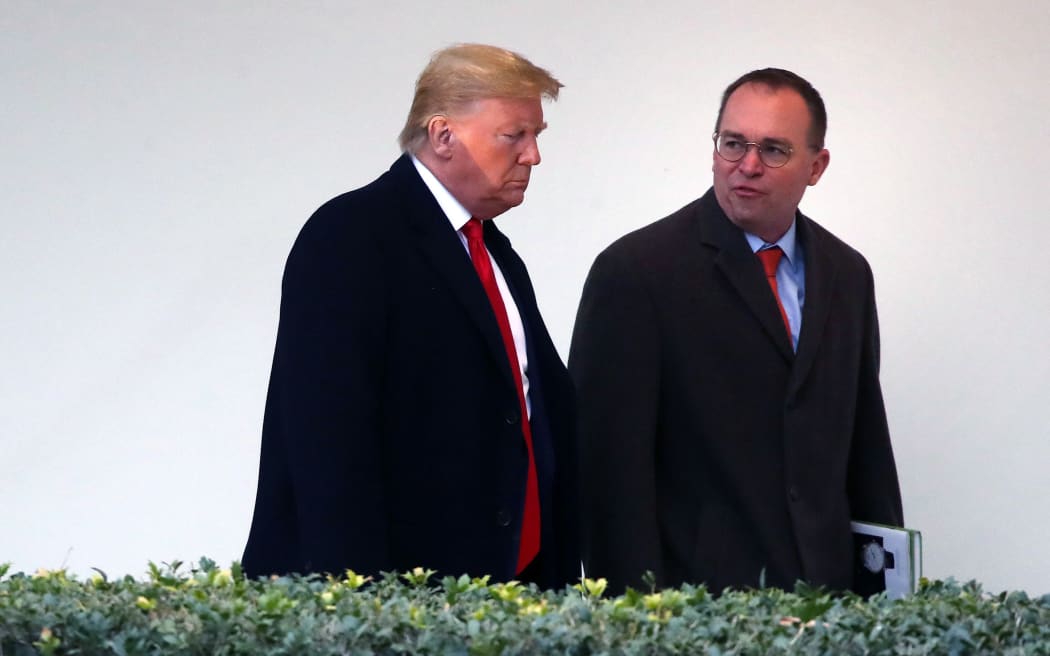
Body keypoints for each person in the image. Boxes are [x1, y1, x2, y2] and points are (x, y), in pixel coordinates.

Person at [242, 44, 579, 589]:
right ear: (444, 135)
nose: (533, 155)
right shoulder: (350, 236)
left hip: (504, 595)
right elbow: (327, 441)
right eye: (514, 135)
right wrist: (362, 605)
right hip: (399, 602)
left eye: (536, 136)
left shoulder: (494, 253)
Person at [569, 68, 903, 595]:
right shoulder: (636, 272)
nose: (747, 166)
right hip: (697, 609)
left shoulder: (847, 274)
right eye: (733, 144)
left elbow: (866, 449)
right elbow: (608, 475)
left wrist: (886, 598)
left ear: (816, 167)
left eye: (773, 150)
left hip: (829, 603)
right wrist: (633, 618)